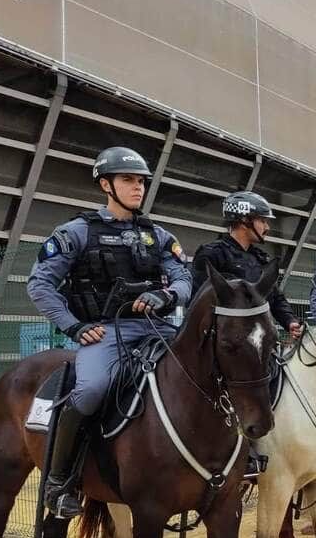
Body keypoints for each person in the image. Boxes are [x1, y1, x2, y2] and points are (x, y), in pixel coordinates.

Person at [27, 146, 192, 518]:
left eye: (141, 181)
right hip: (106, 333)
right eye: (128, 180)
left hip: (158, 328)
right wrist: (74, 326)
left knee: (206, 369)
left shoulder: (159, 236)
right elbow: (39, 285)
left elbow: (185, 279)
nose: (138, 188)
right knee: (91, 389)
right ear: (106, 184)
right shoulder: (76, 232)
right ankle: (58, 480)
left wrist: (166, 294)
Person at [191, 190, 302, 478]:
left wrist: (289, 320)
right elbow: (199, 300)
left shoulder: (261, 258)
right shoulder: (212, 254)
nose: (267, 227)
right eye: (263, 221)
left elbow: (275, 298)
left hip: (257, 342)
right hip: (225, 343)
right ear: (244, 220)